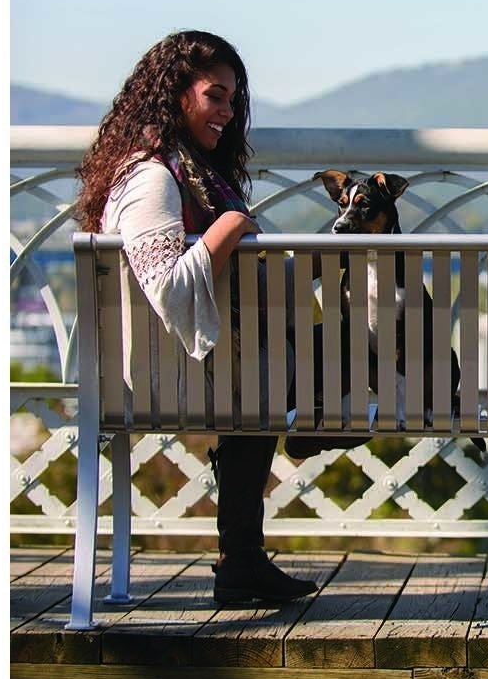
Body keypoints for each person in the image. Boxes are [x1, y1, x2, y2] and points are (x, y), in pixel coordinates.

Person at [71, 30, 318, 608]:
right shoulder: (153, 178)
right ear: (174, 94)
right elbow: (167, 289)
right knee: (333, 365)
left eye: (233, 100)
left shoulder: (179, 170)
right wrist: (229, 226)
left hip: (205, 372)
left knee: (297, 363)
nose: (228, 114)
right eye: (216, 96)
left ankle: (244, 563)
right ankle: (326, 425)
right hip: (173, 379)